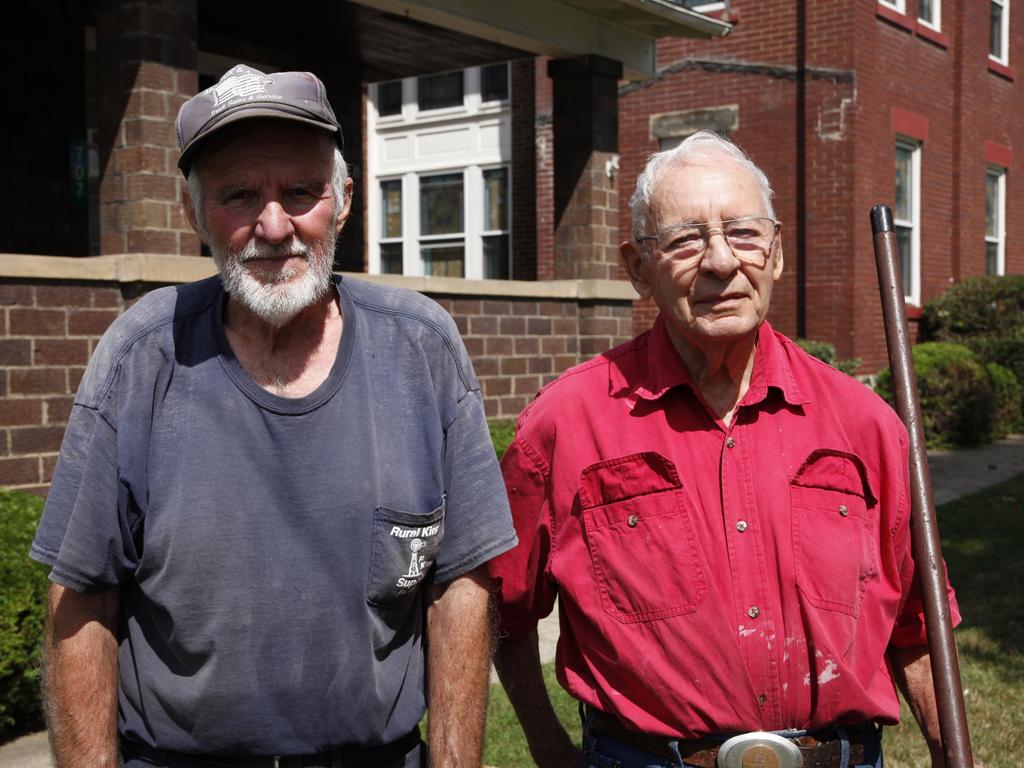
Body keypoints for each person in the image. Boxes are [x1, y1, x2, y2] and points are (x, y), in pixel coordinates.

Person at [31, 64, 516, 768]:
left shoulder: (422, 348)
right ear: (194, 213)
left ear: (345, 199)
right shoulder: (140, 357)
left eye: (301, 191)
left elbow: (460, 588)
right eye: (238, 195)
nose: (274, 225)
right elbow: (80, 602)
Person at [489, 131, 959, 768]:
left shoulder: (866, 426)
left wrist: (948, 750)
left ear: (777, 253)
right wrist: (548, 747)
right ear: (638, 270)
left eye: (743, 233)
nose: (720, 261)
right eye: (685, 239)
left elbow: (918, 626)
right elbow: (499, 611)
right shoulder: (566, 425)